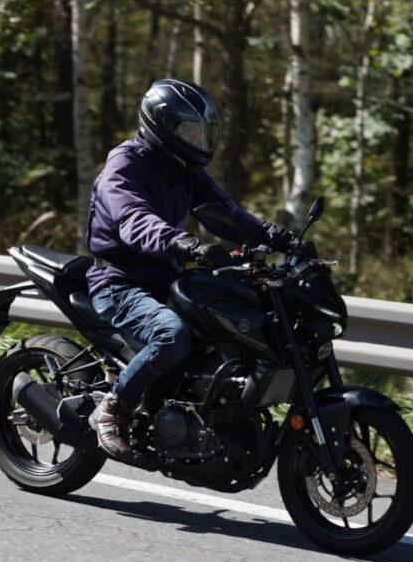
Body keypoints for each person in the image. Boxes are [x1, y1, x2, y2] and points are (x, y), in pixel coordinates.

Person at [85, 78, 296, 458]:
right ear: (162, 126)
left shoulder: (185, 170)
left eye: (204, 132)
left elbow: (228, 216)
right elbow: (133, 218)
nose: (200, 140)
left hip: (166, 278)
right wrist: (183, 242)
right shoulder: (125, 164)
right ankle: (113, 406)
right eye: (191, 132)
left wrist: (281, 238)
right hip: (118, 281)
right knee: (172, 336)